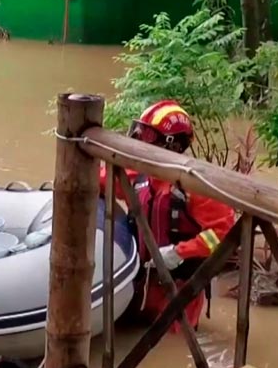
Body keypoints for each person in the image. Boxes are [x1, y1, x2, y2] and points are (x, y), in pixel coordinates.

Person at [101, 100, 236, 330]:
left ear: (171, 145)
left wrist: (179, 252)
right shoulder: (139, 176)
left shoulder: (198, 187)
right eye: (139, 132)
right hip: (141, 281)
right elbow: (101, 180)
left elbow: (222, 236)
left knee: (173, 344)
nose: (140, 140)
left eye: (148, 135)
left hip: (180, 286)